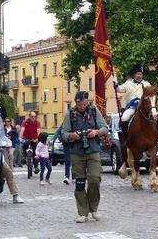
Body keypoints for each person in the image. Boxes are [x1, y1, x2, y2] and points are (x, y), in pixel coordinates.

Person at [61, 91, 109, 223]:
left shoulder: (94, 111)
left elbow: (105, 128)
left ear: (87, 101)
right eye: (78, 104)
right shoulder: (69, 114)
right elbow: (63, 133)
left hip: (93, 151)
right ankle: (83, 213)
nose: (81, 107)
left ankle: (93, 208)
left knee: (94, 179)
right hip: (77, 153)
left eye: (83, 104)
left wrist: (96, 132)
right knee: (80, 184)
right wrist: (72, 136)